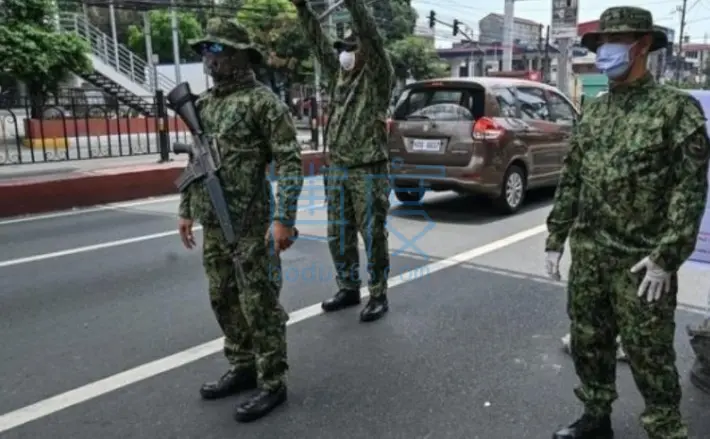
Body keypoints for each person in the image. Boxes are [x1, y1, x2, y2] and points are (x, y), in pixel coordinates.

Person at [544, 7, 710, 439]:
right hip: (591, 254)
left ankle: (665, 428)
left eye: (613, 43)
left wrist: (666, 257)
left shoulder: (676, 110)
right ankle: (596, 415)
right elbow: (573, 177)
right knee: (588, 340)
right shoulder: (596, 112)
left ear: (641, 46)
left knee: (649, 353)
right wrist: (556, 235)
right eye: (600, 44)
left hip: (641, 263)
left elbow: (688, 191)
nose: (604, 52)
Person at [177, 18, 303, 423]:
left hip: (251, 224)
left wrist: (284, 218)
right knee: (223, 298)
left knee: (259, 304)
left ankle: (272, 382)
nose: (207, 58)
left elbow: (289, 160)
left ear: (236, 55)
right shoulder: (205, 105)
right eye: (204, 51)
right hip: (214, 222)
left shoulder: (263, 102)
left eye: (215, 50)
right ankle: (243, 365)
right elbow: (197, 161)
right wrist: (185, 209)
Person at [292, 0, 395, 322]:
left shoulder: (377, 76)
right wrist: (302, 10)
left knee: (372, 233)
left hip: (367, 169)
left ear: (365, 50)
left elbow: (371, 35)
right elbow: (318, 44)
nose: (345, 53)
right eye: (343, 48)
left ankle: (378, 293)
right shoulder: (337, 77)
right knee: (339, 233)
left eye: (351, 47)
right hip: (336, 169)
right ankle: (348, 287)